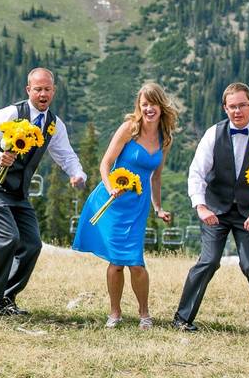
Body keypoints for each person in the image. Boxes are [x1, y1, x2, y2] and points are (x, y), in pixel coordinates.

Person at [174, 82, 249, 333]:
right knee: (209, 261)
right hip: (216, 210)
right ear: (225, 108)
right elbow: (196, 173)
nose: (238, 111)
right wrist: (201, 207)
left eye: (242, 105)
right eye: (232, 106)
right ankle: (182, 319)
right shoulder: (213, 134)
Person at [0, 67, 87, 315]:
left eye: (47, 89)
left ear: (54, 91)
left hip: (18, 192)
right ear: (29, 90)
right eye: (38, 89)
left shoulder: (53, 124)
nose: (43, 94)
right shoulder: (12, 113)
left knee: (32, 244)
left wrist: (77, 174)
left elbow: (66, 155)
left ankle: (6, 298)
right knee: (6, 239)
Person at [73, 83, 176, 330]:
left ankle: (144, 314)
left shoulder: (165, 138)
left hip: (138, 205)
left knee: (136, 262)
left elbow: (156, 177)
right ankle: (115, 313)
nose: (149, 108)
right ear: (139, 107)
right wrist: (110, 188)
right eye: (144, 104)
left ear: (161, 107)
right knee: (117, 261)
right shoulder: (129, 129)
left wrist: (158, 208)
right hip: (114, 201)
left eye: (153, 104)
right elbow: (105, 164)